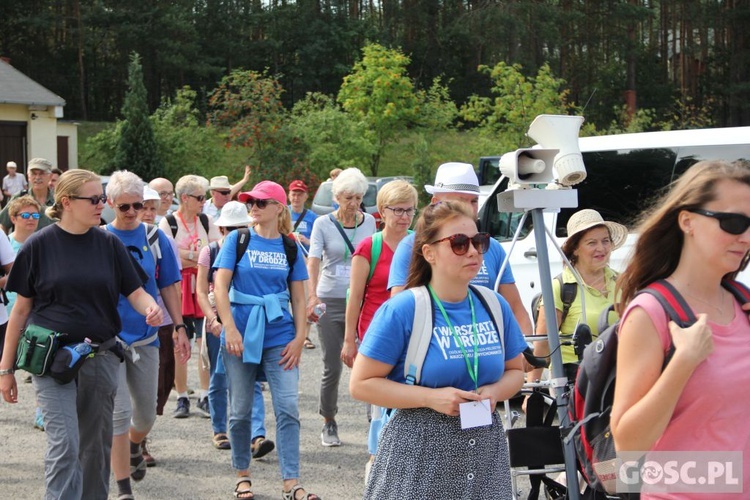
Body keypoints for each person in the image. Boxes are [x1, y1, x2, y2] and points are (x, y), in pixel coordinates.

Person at [0, 169, 163, 500]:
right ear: (66, 203)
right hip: (50, 361)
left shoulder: (109, 244)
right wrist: (6, 370)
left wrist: (150, 307)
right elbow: (20, 310)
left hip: (100, 357)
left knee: (95, 449)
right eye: (94, 199)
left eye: (102, 199)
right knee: (65, 443)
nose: (100, 205)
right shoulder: (38, 245)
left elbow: (135, 291)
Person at [350, 200, 526, 498]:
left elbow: (516, 372)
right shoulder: (404, 308)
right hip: (419, 457)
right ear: (428, 252)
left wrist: (494, 392)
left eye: (478, 241)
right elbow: (361, 385)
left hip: (484, 454)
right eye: (459, 243)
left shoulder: (494, 305)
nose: (472, 251)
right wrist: (432, 398)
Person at [611, 160, 750, 497]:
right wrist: (684, 361)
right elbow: (627, 444)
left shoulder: (743, 304)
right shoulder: (652, 312)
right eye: (733, 223)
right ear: (687, 221)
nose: (746, 237)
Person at [214, 180, 319, 500]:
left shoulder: (289, 246)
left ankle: (292, 481)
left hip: (279, 335)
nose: (254, 208)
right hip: (240, 336)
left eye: (261, 203)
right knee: (241, 410)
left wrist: (301, 337)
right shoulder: (237, 239)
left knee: (288, 407)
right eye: (251, 203)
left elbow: (299, 299)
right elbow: (220, 288)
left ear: (279, 208)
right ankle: (242, 474)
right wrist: (229, 328)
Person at [105, 171, 188, 500]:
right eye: (123, 206)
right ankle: (124, 488)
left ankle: (137, 445)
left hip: (147, 337)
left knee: (146, 412)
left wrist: (179, 327)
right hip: (108, 341)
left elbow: (168, 285)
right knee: (119, 413)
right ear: (110, 203)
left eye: (137, 205)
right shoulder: (99, 238)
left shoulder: (155, 238)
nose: (131, 212)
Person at [387, 162, 533, 336]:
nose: (470, 209)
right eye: (460, 202)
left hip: (487, 351)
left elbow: (516, 309)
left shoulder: (491, 246)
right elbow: (397, 315)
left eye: (474, 201)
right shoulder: (411, 247)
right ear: (436, 202)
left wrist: (527, 353)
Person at [196, 200, 275, 458]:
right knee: (219, 377)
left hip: (246, 321)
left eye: (239, 227)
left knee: (249, 376)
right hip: (217, 321)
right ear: (220, 230)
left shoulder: (253, 248)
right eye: (228, 228)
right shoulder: (209, 252)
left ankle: (257, 434)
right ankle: (219, 428)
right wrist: (213, 320)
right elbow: (200, 290)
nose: (233, 233)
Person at [307, 167, 377, 447]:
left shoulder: (370, 221)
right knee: (332, 366)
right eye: (348, 197)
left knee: (371, 362)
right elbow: (313, 260)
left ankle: (375, 420)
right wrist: (312, 296)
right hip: (331, 298)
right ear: (336, 197)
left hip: (362, 299)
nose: (354, 203)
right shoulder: (322, 224)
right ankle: (329, 420)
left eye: (358, 197)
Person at [529, 209, 627, 385]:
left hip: (619, 376)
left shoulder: (623, 282)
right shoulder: (560, 287)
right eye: (592, 243)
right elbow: (543, 343)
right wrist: (533, 388)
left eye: (605, 241)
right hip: (575, 382)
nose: (601, 248)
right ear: (575, 249)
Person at [159, 174, 220, 419]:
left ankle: (205, 395)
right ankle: (182, 396)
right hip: (178, 289)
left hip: (203, 287)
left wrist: (189, 256)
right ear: (184, 198)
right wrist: (198, 256)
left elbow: (217, 250)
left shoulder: (206, 220)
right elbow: (170, 257)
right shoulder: (168, 222)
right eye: (199, 197)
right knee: (178, 343)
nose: (204, 201)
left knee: (204, 343)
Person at [341, 179, 418, 367]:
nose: (405, 216)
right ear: (383, 211)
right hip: (376, 330)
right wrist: (349, 340)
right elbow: (355, 296)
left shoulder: (420, 244)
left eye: (410, 210)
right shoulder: (369, 247)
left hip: (413, 329)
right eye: (398, 210)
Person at [137, 185, 181, 467]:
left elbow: (171, 282)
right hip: (130, 324)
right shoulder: (111, 237)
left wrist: (179, 325)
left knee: (163, 382)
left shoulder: (162, 238)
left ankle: (138, 435)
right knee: (138, 387)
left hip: (162, 320)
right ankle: (136, 443)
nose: (149, 213)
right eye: (144, 207)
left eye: (154, 208)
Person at [288, 179, 318, 349]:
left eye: (300, 194)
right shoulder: (282, 212)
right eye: (294, 194)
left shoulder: (313, 218)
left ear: (306, 196)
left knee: (306, 297)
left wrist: (306, 240)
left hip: (304, 262)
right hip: (286, 261)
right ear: (289, 195)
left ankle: (305, 335)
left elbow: (319, 244)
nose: (296, 198)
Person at [0, 158, 55, 233]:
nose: (37, 177)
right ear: (28, 176)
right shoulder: (19, 198)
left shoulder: (58, 200)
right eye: (34, 174)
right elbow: (3, 224)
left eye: (42, 173)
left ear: (50, 176)